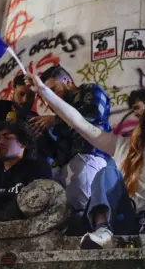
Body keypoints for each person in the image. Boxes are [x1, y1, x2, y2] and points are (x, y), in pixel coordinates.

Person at [25, 74, 145, 249]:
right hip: (129, 220)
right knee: (107, 172)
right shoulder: (123, 145)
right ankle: (102, 230)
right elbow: (79, 123)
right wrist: (44, 91)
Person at [33, 65, 110, 213]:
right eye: (46, 96)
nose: (49, 100)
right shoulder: (59, 116)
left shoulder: (90, 90)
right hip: (65, 167)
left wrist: (56, 119)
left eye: (53, 91)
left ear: (68, 82)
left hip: (89, 156)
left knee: (82, 210)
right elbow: (55, 152)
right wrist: (40, 137)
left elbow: (94, 113)